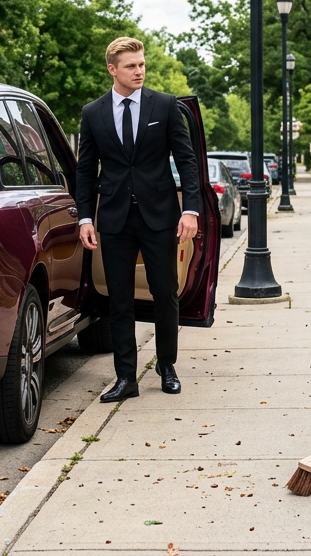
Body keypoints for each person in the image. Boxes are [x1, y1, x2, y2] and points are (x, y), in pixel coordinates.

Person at [75, 37, 202, 402]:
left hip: (159, 216)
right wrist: (86, 217)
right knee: (119, 301)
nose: (139, 71)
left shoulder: (164, 105)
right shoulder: (93, 113)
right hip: (114, 219)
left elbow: (187, 160)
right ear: (112, 69)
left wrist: (190, 209)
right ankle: (125, 378)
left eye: (142, 64)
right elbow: (85, 170)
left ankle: (166, 367)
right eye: (131, 66)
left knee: (165, 294)